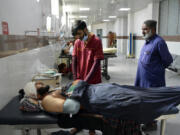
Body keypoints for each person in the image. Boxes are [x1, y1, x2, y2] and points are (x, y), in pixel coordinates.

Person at [21, 80, 180, 123]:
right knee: (140, 99)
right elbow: (73, 106)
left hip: (99, 90)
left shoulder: (51, 92)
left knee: (145, 91)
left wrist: (76, 84)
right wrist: (77, 85)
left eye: (39, 83)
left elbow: (74, 88)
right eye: (37, 86)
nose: (41, 84)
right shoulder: (47, 100)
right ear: (35, 95)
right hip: (99, 99)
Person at [135, 20, 173, 131]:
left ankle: (152, 124)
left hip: (153, 81)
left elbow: (168, 60)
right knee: (144, 102)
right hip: (142, 80)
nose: (142, 31)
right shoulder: (147, 41)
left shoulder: (159, 42)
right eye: (142, 29)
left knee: (151, 103)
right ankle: (147, 120)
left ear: (152, 30)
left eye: (145, 29)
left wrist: (156, 71)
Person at [72, 20, 104, 135]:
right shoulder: (77, 42)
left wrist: (86, 81)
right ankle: (78, 125)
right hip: (80, 79)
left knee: (92, 104)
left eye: (80, 34)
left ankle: (92, 128)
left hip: (93, 80)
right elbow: (74, 60)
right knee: (77, 103)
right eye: (77, 35)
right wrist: (76, 78)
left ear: (85, 29)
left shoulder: (96, 41)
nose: (79, 37)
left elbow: (96, 63)